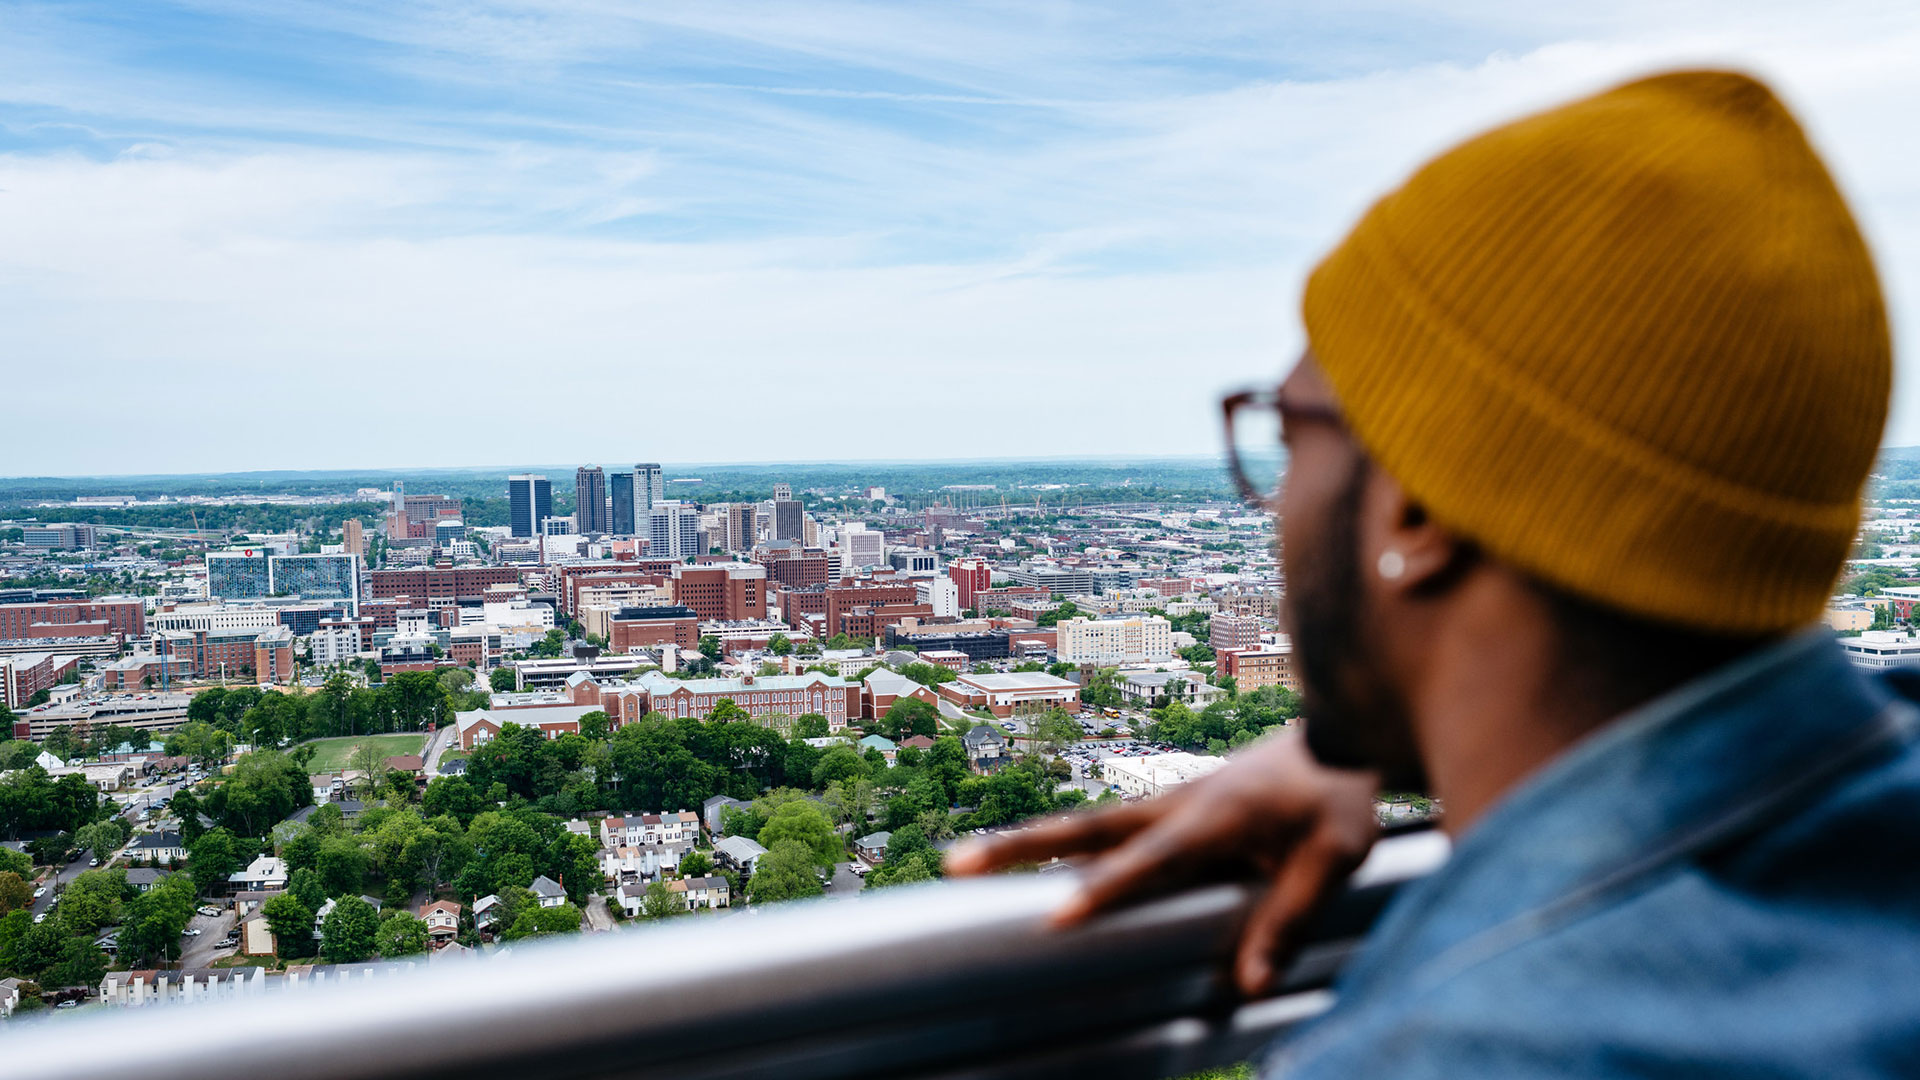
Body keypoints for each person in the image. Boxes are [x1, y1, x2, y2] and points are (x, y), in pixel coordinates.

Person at [949, 70, 1919, 1078]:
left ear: (1416, 508)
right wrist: (1381, 738)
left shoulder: (1456, 1053)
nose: (1274, 503)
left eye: (1289, 434)